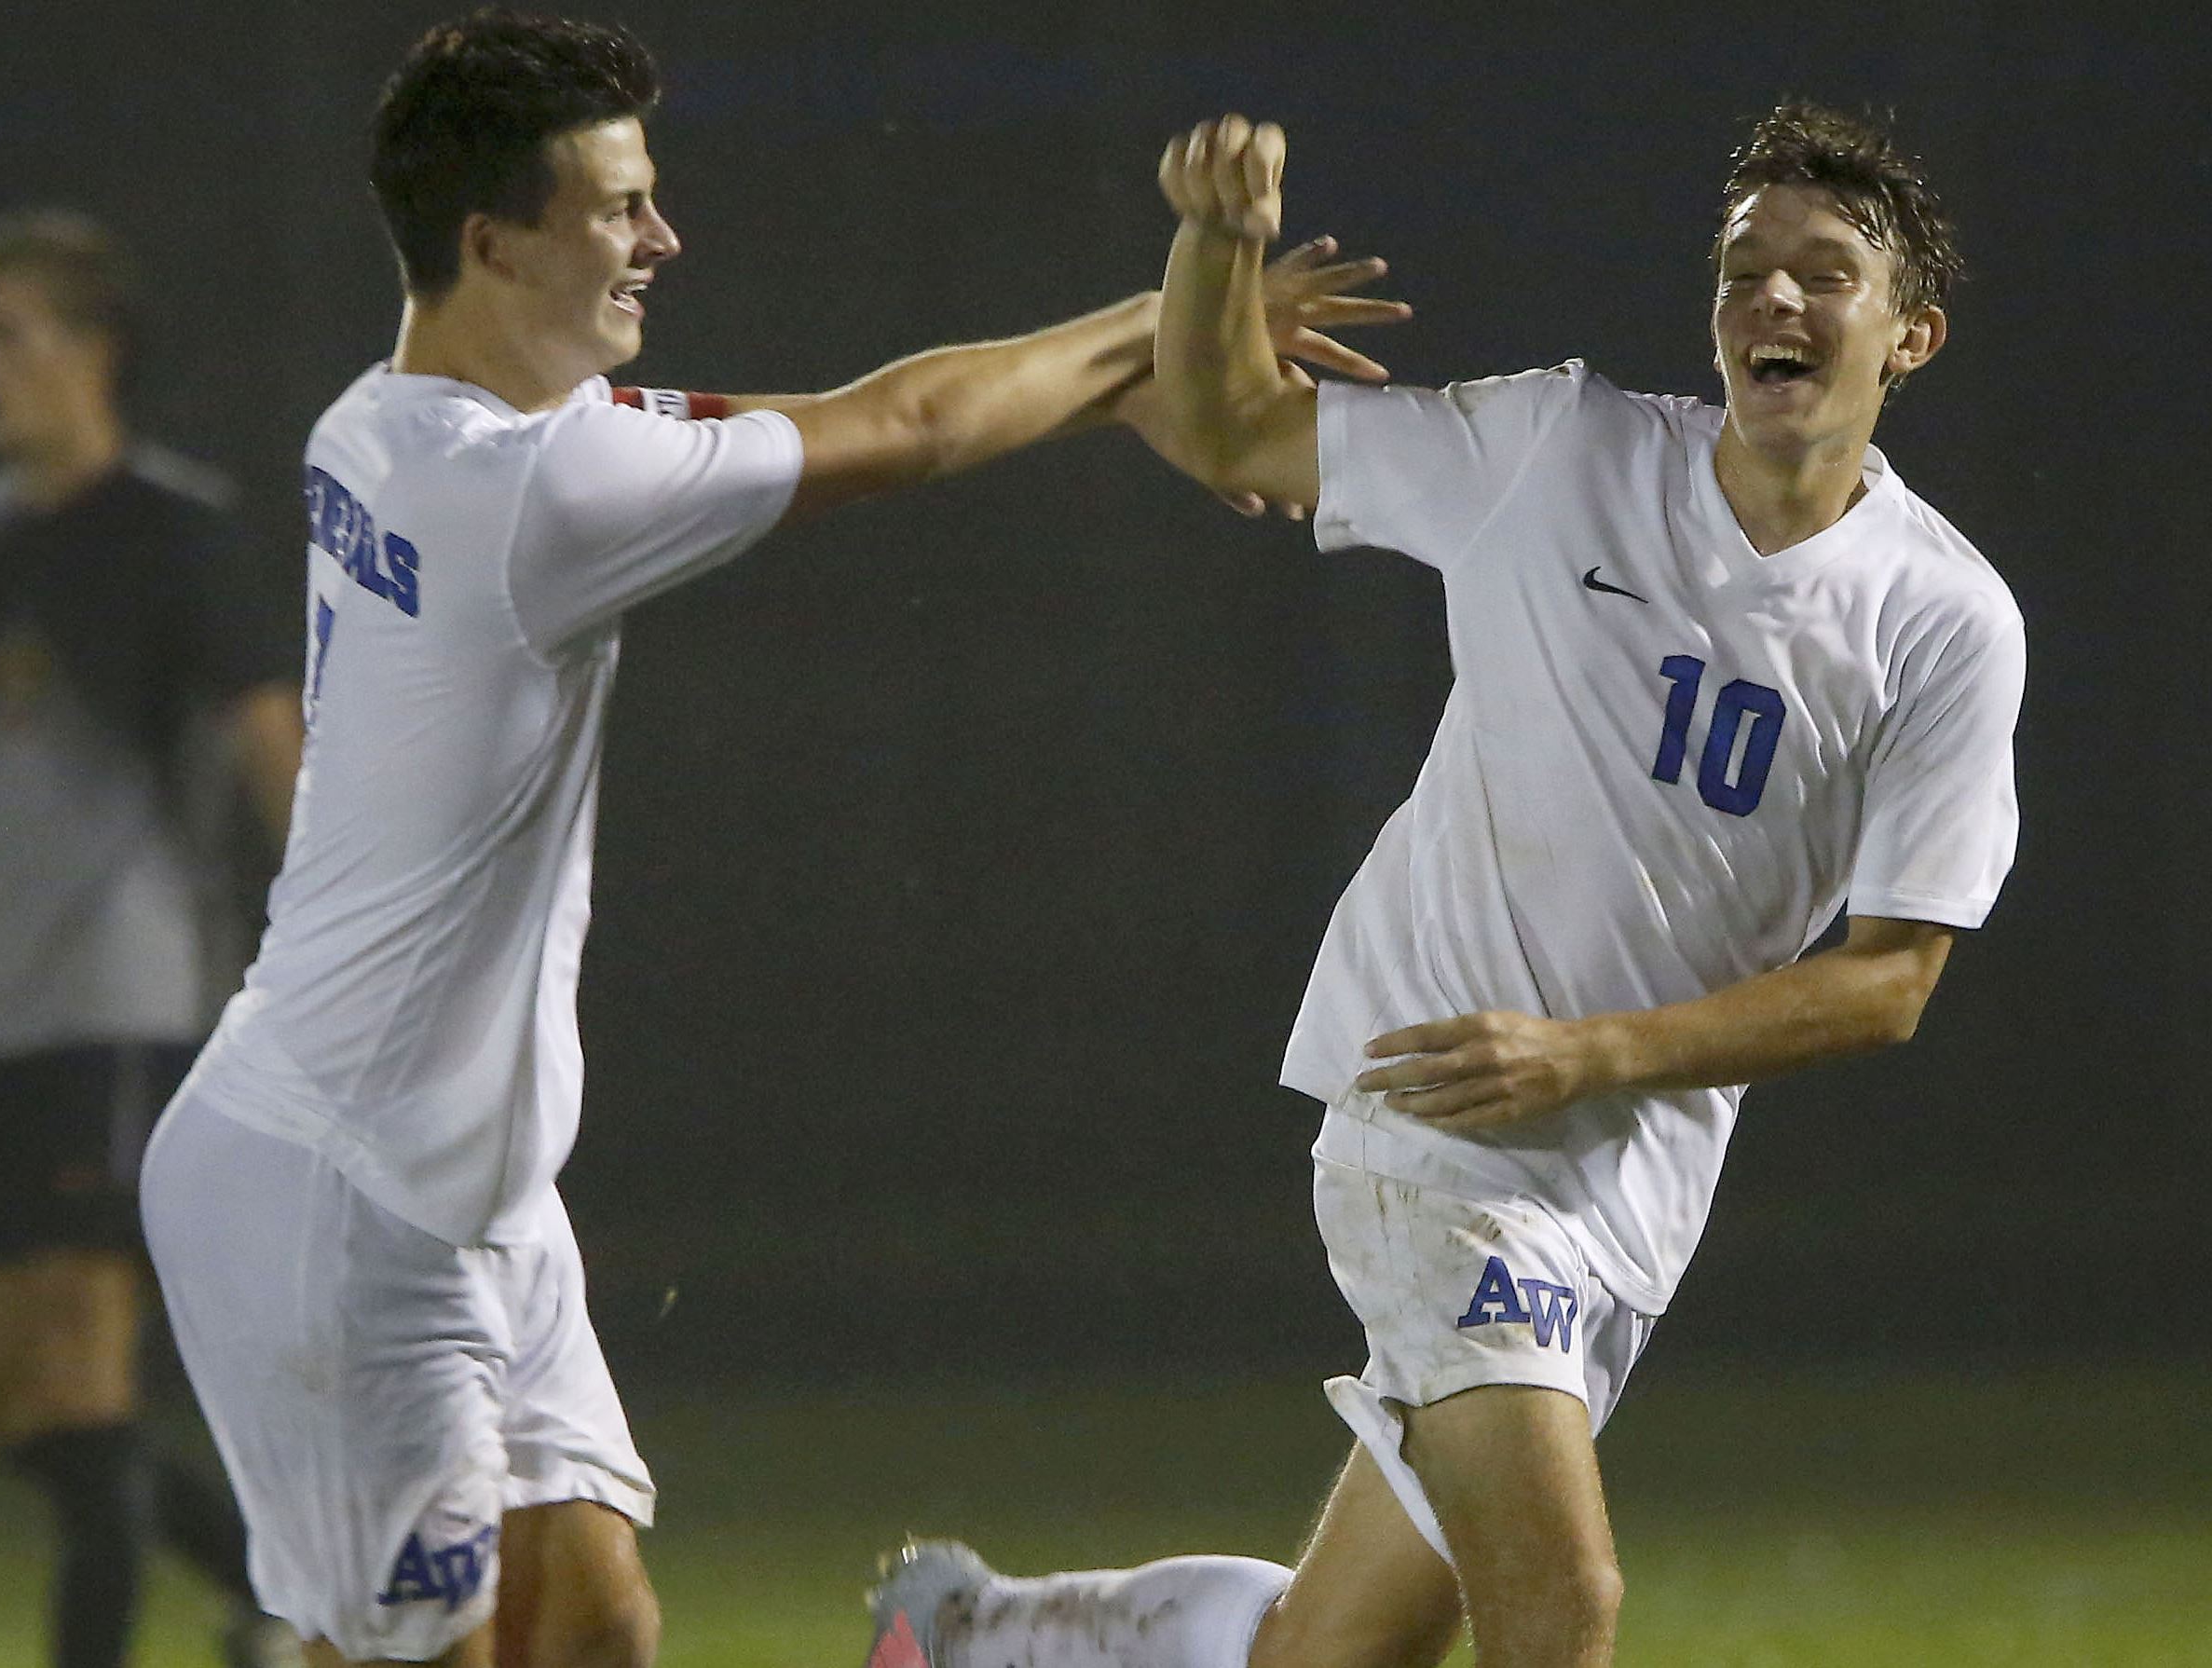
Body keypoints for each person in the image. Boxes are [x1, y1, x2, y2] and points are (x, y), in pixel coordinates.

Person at [131, 13, 1403, 1667]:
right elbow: (914, 427)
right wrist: (1175, 307)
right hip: (342, 1202)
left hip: (455, 1188)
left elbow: (845, 408)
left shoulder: (385, 425)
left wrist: (1126, 377)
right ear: (491, 237)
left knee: (592, 1629)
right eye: (619, 205)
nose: (660, 239)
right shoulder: (539, 492)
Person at [861, 101, 2023, 1668]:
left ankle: (986, 1632)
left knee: (1332, 1656)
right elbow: (1234, 429)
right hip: (1434, 1116)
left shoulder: (1944, 619)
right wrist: (1218, 247)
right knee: (1563, 1605)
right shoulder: (1565, 448)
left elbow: (1894, 977)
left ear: (1913, 337)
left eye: (1828, 274)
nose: (1778, 300)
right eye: (1749, 267)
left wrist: (1591, 1058)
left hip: (1625, 1183)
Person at [0, 212, 307, 1668]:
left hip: (129, 1008)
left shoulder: (173, 530)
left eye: (7, 332)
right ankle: (274, 1583)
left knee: (77, 1379)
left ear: (96, 350)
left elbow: (279, 752)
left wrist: (344, 956)